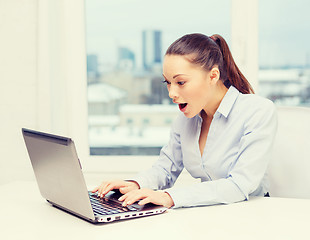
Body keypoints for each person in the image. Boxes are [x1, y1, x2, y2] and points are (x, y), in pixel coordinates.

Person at [92, 33, 278, 209]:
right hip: (212, 212)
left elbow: (240, 185)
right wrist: (134, 184)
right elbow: (165, 169)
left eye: (180, 82)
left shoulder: (257, 111)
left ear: (213, 76)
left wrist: (169, 197)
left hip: (253, 213)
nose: (171, 93)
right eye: (168, 82)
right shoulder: (186, 120)